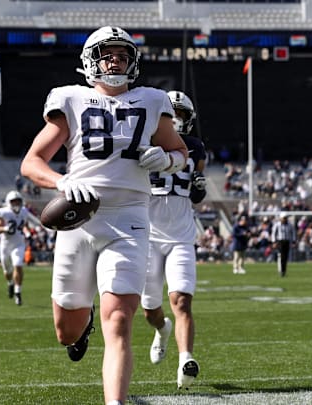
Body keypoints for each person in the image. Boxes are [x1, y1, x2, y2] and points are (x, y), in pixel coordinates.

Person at [19, 26, 188, 405]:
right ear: (90, 59)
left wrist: (169, 159)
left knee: (121, 320)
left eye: (123, 54)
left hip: (129, 215)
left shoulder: (152, 100)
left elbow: (180, 152)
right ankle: (84, 323)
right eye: (108, 54)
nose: (116, 60)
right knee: (66, 331)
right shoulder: (71, 99)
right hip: (78, 216)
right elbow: (31, 163)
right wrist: (62, 182)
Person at [141, 90, 206, 389]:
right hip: (148, 237)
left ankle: (185, 359)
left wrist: (199, 185)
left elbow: (197, 195)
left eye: (181, 114)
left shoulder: (196, 149)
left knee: (181, 300)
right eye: (172, 113)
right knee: (150, 310)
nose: (176, 120)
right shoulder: (142, 142)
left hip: (181, 236)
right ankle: (162, 330)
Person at [0, 190, 30, 306]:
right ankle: (10, 283)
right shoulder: (4, 212)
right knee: (7, 272)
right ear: (9, 202)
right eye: (14, 202)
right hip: (6, 245)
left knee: (18, 265)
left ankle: (18, 293)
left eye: (18, 201)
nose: (16, 204)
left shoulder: (24, 211)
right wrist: (5, 229)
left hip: (19, 244)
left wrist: (27, 232)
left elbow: (24, 226)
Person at [271, 212, 295, 277]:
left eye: (286, 218)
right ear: (281, 218)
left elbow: (293, 233)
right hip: (280, 241)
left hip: (286, 241)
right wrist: (274, 242)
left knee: (285, 257)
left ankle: (284, 270)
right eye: (284, 218)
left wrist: (293, 242)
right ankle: (281, 270)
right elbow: (273, 233)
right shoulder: (277, 225)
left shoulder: (290, 225)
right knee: (281, 256)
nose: (285, 219)